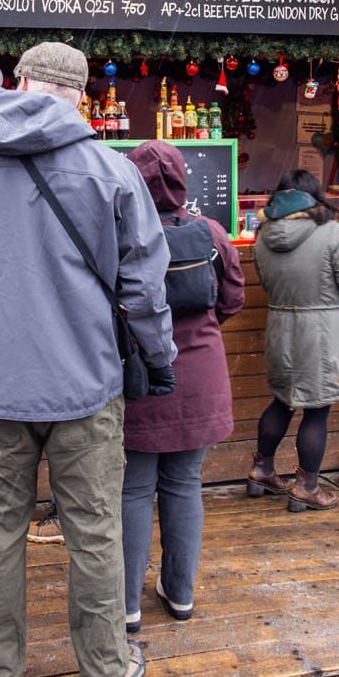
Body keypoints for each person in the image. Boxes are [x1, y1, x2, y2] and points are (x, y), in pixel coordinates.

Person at [0, 41, 175, 677]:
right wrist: (158, 357)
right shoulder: (112, 173)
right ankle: (107, 669)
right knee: (94, 530)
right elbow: (144, 283)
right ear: (80, 97)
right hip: (86, 386)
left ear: (18, 82)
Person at [121, 140, 244, 632]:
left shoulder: (122, 233)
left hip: (140, 376)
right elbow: (232, 300)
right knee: (185, 484)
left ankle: (127, 604)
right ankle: (181, 593)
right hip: (201, 375)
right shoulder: (211, 232)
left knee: (132, 490)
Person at [248, 169, 339, 512]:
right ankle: (307, 487)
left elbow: (266, 283)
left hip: (279, 328)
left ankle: (262, 470)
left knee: (282, 401)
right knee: (317, 410)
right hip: (320, 330)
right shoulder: (330, 231)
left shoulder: (262, 233)